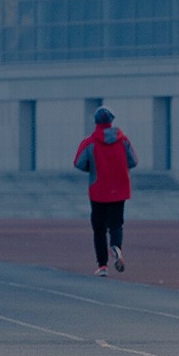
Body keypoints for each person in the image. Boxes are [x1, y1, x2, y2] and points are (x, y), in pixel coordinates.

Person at [73, 106, 136, 277]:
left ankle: (102, 266)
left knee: (99, 228)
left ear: (96, 122)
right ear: (111, 121)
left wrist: (92, 168)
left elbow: (78, 162)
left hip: (98, 189)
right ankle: (116, 246)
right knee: (116, 224)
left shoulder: (89, 142)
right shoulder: (123, 140)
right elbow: (133, 161)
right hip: (120, 188)